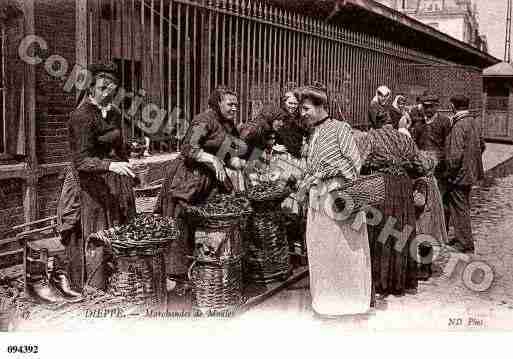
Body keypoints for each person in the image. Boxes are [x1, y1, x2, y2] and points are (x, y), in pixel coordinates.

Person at [154, 86, 247, 281]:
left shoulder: (227, 124)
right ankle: (175, 277)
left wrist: (243, 164)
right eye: (230, 104)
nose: (234, 108)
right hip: (188, 177)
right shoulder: (203, 120)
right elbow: (188, 147)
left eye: (236, 105)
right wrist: (212, 160)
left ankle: (204, 269)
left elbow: (227, 154)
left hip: (208, 180)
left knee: (206, 221)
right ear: (218, 103)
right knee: (180, 223)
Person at [58, 62, 137, 291]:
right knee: (97, 234)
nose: (107, 93)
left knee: (120, 228)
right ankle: (95, 288)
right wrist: (112, 165)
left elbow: (118, 145)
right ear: (91, 88)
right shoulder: (81, 116)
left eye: (112, 89)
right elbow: (82, 161)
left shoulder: (113, 113)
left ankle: (120, 281)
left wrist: (127, 165)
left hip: (114, 179)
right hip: (89, 184)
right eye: (102, 88)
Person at [296, 84, 372, 317]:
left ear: (321, 106)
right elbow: (314, 166)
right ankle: (326, 300)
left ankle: (349, 301)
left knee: (344, 249)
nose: (302, 113)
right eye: (301, 109)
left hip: (339, 198)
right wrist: (306, 179)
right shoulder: (313, 133)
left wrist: (322, 174)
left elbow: (354, 163)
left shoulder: (340, 128)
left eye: (307, 108)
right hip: (318, 200)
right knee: (322, 249)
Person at [355, 125, 431, 300]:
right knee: (401, 229)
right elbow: (422, 166)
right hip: (403, 187)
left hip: (381, 184)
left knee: (382, 229)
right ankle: (399, 281)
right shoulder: (405, 139)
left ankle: (381, 281)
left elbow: (359, 162)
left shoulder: (371, 137)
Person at [443, 95, 485, 253]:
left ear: (454, 107)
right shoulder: (473, 122)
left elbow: (455, 155)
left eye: (451, 105)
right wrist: (472, 161)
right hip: (470, 172)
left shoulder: (459, 125)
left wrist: (449, 172)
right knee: (464, 205)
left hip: (459, 175)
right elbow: (482, 145)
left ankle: (464, 242)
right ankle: (465, 239)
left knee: (459, 207)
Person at [411, 94, 451, 184]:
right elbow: (414, 143)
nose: (428, 110)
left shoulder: (444, 121)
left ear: (436, 106)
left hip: (438, 166)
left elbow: (448, 144)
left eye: (431, 107)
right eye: (425, 107)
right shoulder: (419, 123)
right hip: (422, 165)